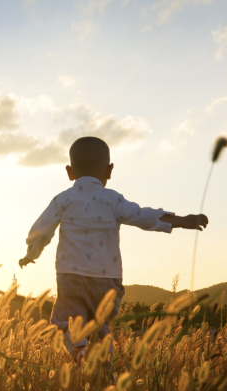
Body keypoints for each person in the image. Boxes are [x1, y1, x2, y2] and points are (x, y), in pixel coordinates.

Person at [18, 136, 208, 365]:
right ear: (109, 170)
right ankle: (103, 369)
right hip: (107, 280)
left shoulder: (63, 199)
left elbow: (41, 229)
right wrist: (181, 221)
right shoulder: (112, 200)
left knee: (68, 322)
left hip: (71, 276)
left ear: (69, 172)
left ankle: (80, 351)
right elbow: (144, 216)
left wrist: (31, 254)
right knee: (102, 331)